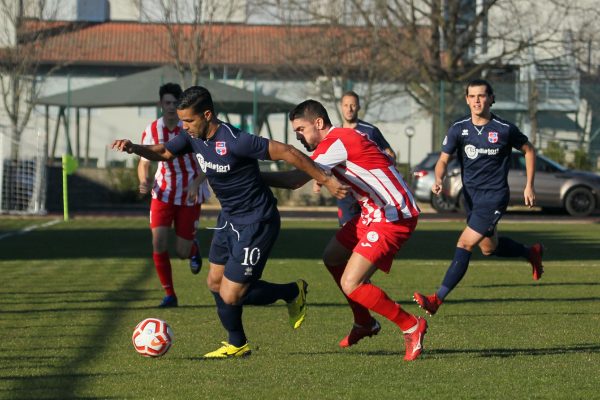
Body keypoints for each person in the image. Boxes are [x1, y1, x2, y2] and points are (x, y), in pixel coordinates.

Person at [112, 86, 348, 359]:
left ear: (207, 115)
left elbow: (287, 152)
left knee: (231, 294)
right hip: (229, 219)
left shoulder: (237, 140)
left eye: (189, 120)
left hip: (257, 222)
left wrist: (326, 178)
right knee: (214, 283)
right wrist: (134, 148)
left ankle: (292, 292)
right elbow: (164, 152)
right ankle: (237, 344)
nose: (184, 126)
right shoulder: (192, 136)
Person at [262, 100, 427, 361]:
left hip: (393, 215)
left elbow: (295, 180)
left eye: (301, 129)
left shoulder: (335, 143)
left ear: (318, 123)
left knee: (352, 282)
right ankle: (364, 322)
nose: (299, 136)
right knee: (333, 256)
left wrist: (251, 175)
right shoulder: (339, 139)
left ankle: (411, 325)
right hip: (373, 213)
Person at [413, 78, 544, 316]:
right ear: (466, 99)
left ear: (491, 99)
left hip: (494, 197)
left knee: (464, 243)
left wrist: (529, 185)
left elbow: (529, 150)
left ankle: (436, 299)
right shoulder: (458, 129)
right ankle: (530, 252)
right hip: (471, 199)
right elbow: (443, 160)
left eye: (482, 95)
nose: (477, 100)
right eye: (472, 96)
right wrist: (439, 179)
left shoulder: (504, 129)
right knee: (488, 248)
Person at [137, 83, 210, 308]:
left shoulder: (189, 127)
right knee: (158, 242)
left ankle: (193, 248)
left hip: (189, 194)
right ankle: (169, 294)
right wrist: (143, 180)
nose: (170, 107)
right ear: (161, 104)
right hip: (162, 193)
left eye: (173, 103)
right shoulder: (152, 130)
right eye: (166, 103)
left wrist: (196, 184)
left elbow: (208, 162)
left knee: (182, 252)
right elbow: (144, 161)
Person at [337, 91, 396, 226]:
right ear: (341, 107)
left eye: (352, 105)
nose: (349, 109)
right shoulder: (335, 133)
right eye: (346, 105)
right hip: (346, 192)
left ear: (358, 107)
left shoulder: (370, 131)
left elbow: (390, 154)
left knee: (372, 229)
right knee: (346, 232)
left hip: (369, 191)